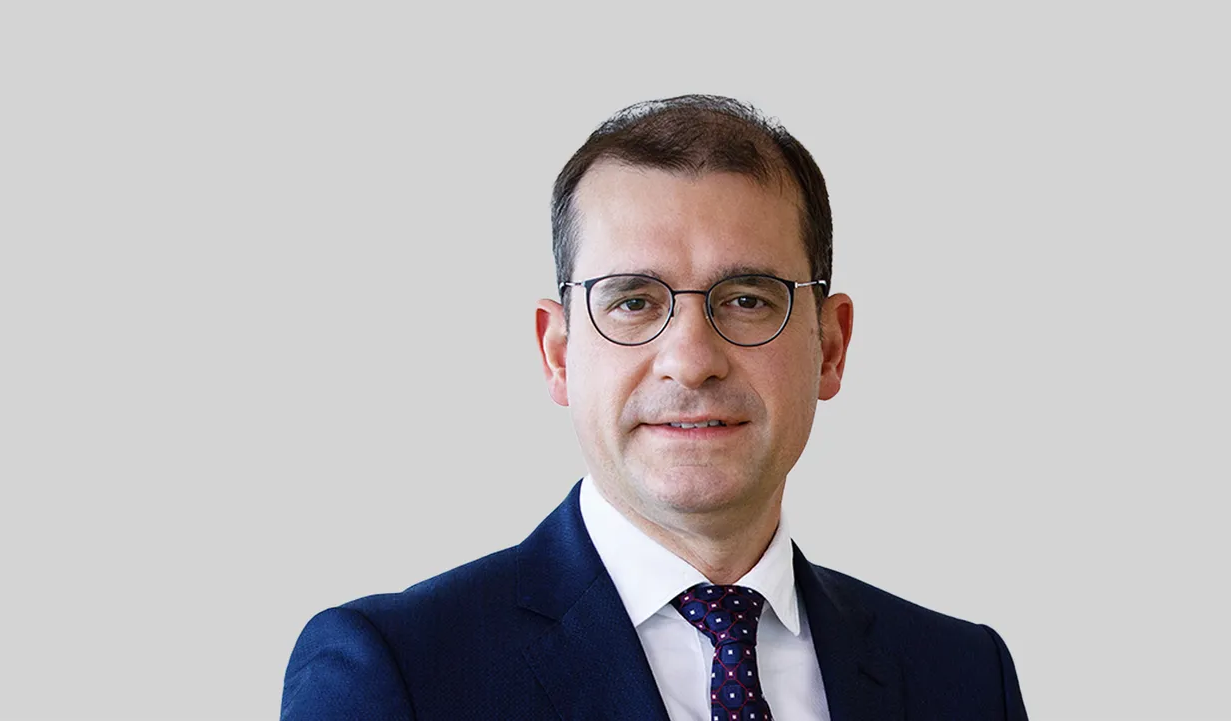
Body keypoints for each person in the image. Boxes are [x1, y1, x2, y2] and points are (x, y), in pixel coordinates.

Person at [280, 94, 1028, 721]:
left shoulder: (963, 678)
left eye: (747, 299)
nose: (692, 359)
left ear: (829, 347)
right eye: (633, 301)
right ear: (559, 353)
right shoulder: (398, 672)